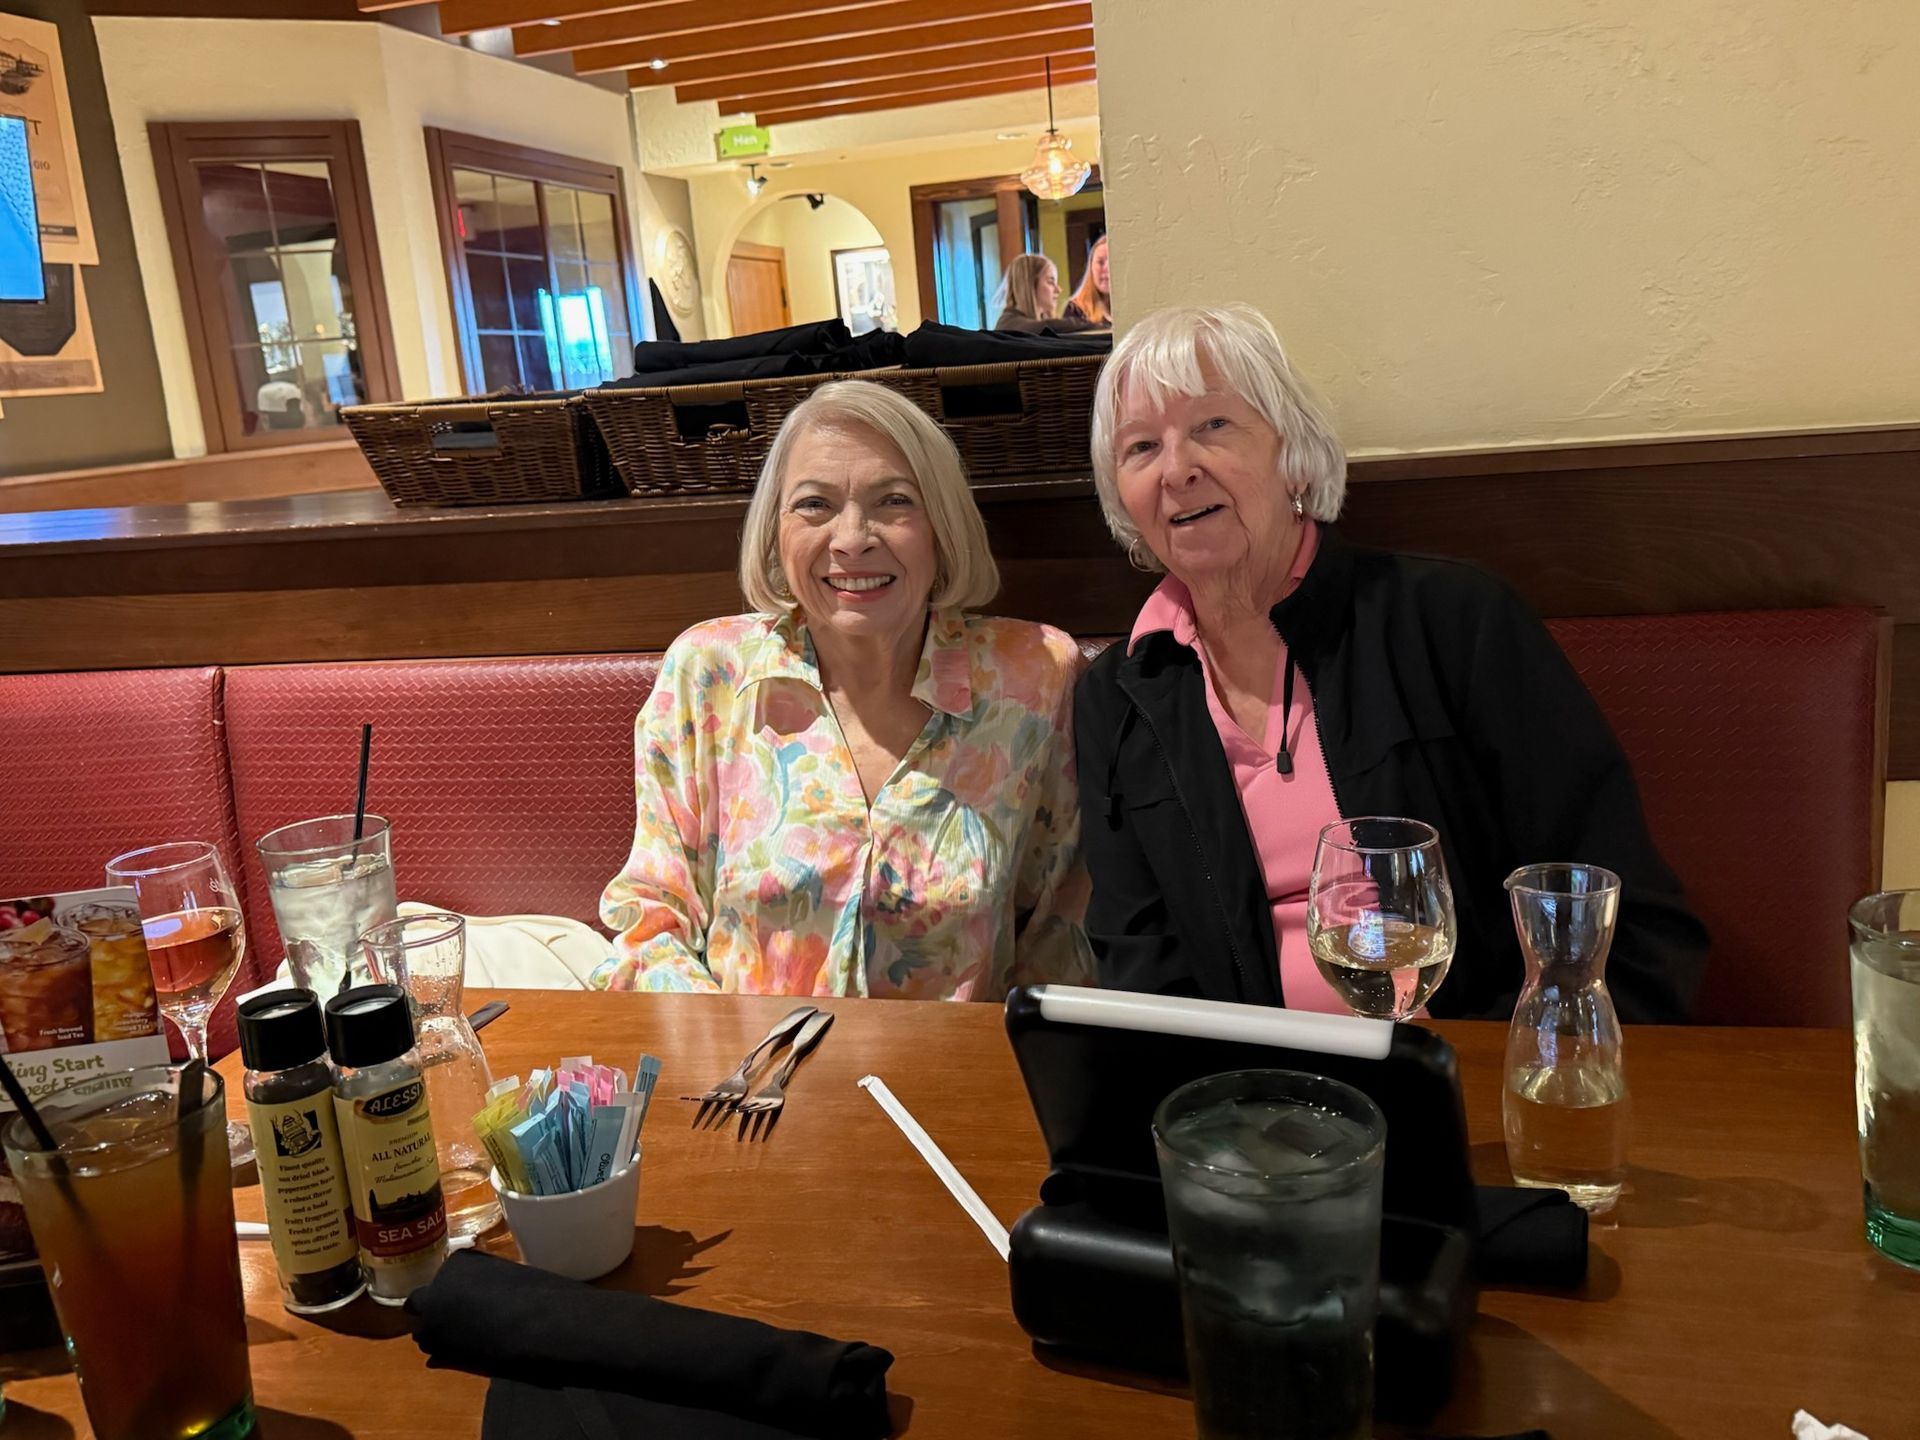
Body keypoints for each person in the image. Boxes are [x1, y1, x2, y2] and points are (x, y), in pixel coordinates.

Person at [1074, 303, 1706, 1022]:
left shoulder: (1452, 620)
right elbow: (1141, 973)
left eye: (1213, 425)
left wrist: (1489, 1057)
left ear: (1293, 454)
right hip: (1248, 1084)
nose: (1177, 469)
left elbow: (1606, 913)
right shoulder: (1115, 699)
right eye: (1141, 447)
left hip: (1473, 1060)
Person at [595, 380, 1090, 998]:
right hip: (745, 1057)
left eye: (894, 501)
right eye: (814, 505)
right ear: (776, 532)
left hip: (957, 1058)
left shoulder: (1034, 677)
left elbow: (1063, 934)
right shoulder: (709, 673)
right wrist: (731, 1051)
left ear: (943, 527)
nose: (852, 538)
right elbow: (653, 922)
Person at [991, 253, 1062, 332]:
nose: (1058, 290)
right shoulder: (1009, 324)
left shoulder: (1039, 321)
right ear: (1029, 285)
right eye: (1050, 282)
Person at [1062, 235, 1111, 327]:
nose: (1107, 269)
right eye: (1100, 262)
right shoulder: (1075, 310)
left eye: (1112, 263)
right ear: (1090, 267)